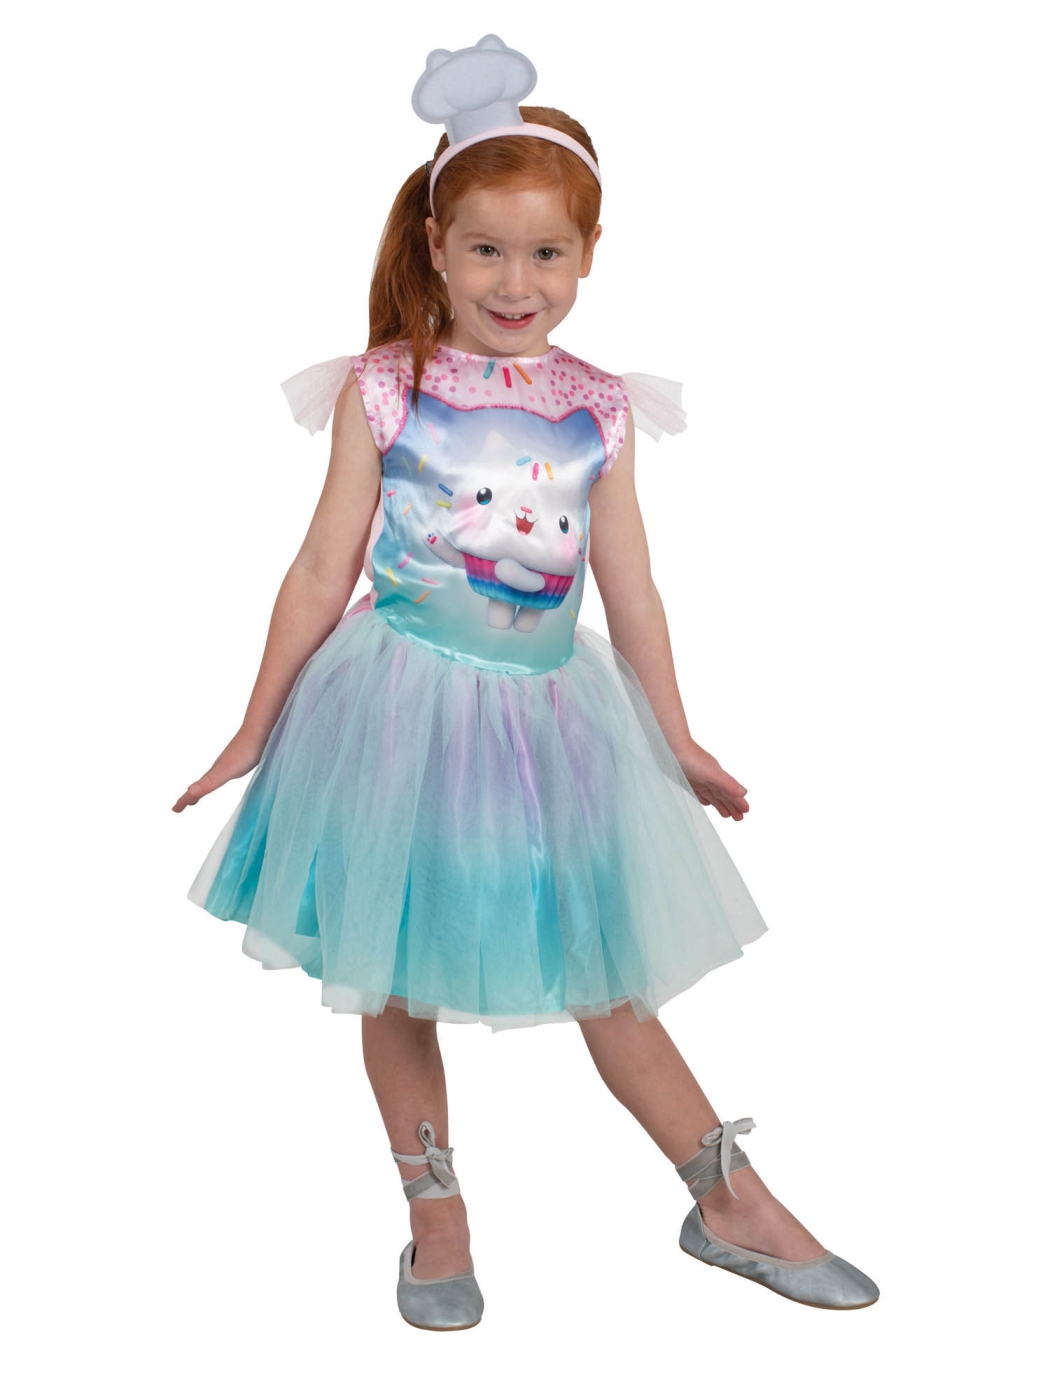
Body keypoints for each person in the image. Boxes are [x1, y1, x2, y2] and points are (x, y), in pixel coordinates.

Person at [175, 35, 878, 1329]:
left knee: (604, 966)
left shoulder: (600, 405)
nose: (517, 280)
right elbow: (322, 566)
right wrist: (250, 729)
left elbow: (631, 587)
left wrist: (676, 737)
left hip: (553, 722)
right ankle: (434, 1215)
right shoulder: (385, 388)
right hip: (395, 712)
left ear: (588, 255)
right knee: (391, 969)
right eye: (488, 250)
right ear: (435, 246)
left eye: (546, 252)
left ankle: (727, 1200)